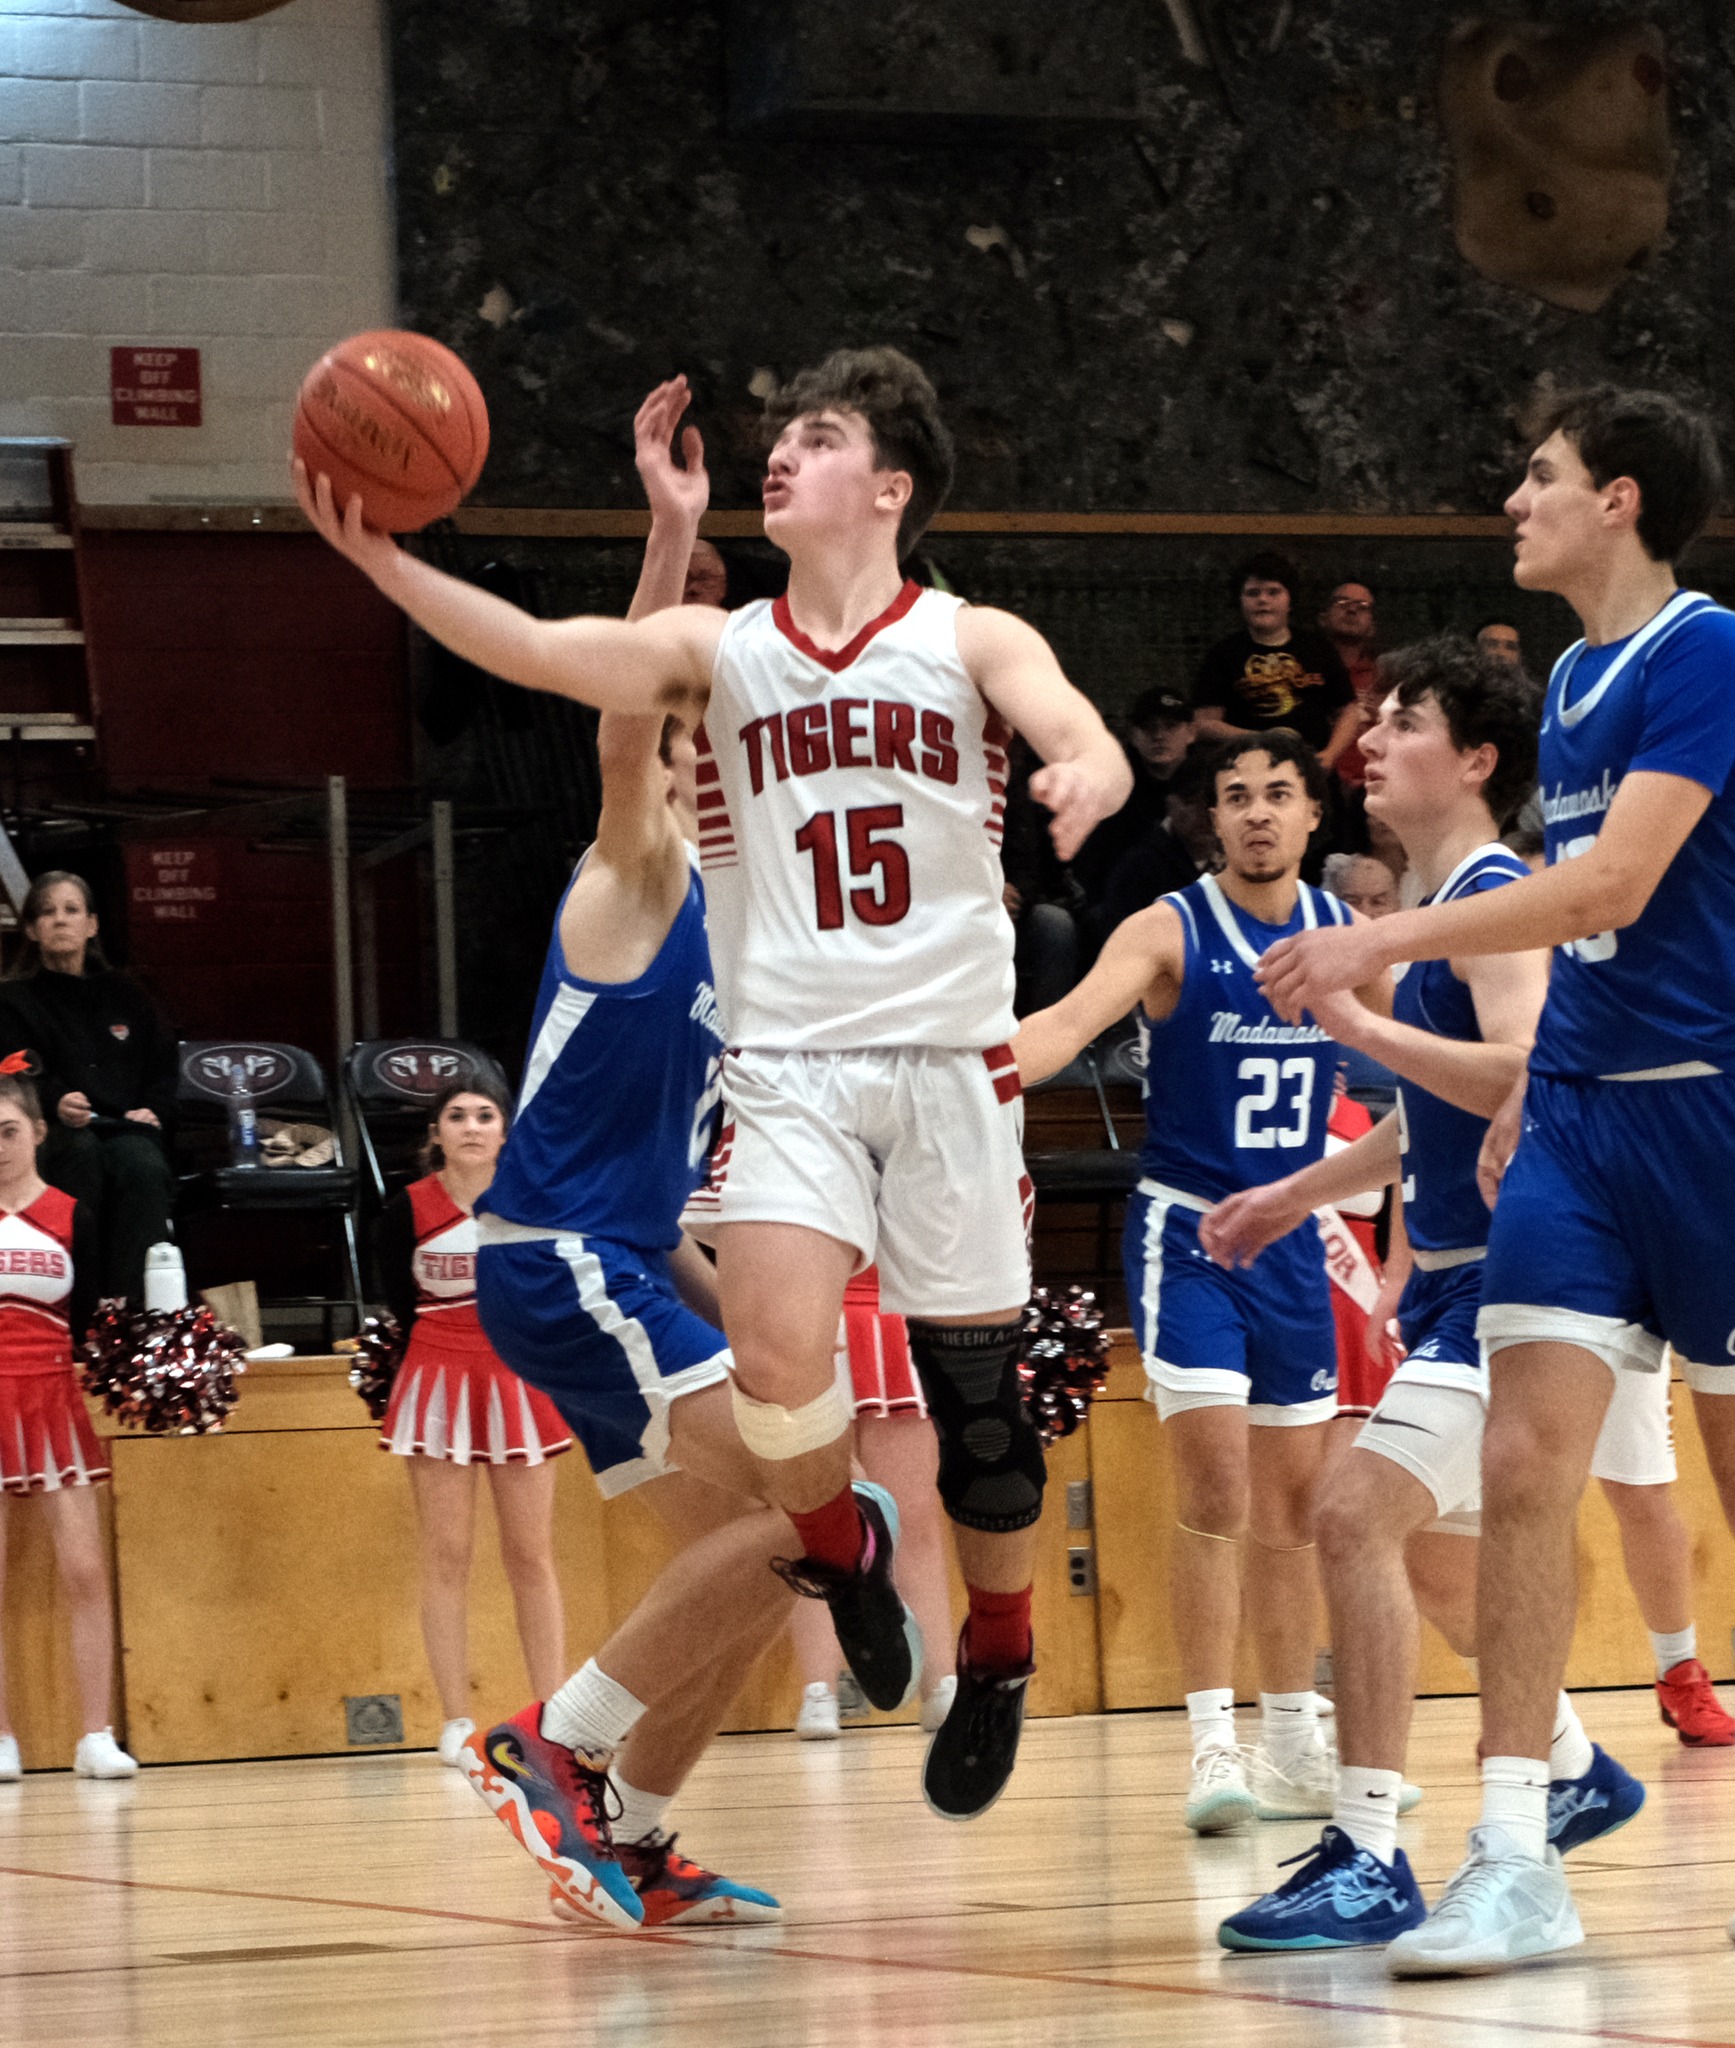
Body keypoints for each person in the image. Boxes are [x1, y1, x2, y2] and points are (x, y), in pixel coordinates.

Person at [298, 345, 1131, 1825]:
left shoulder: (968, 634)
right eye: (779, 436)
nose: (780, 453)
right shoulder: (721, 656)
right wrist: (386, 568)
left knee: (976, 1407)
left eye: (817, 436)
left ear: (889, 485)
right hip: (792, 1067)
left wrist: (1087, 773)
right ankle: (843, 1560)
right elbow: (545, 653)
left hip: (948, 1062)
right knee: (777, 1360)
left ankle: (997, 1650)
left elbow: (1072, 723)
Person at [1255, 388, 1735, 1974]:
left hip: (1709, 1115)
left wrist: (1376, 945)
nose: (1511, 500)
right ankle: (1514, 1854)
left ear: (1618, 499)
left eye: (1537, 476)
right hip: (1580, 1126)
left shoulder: (1700, 652)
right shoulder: (1579, 678)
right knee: (1522, 1469)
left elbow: (1610, 885)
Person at [1208, 636, 1648, 1954]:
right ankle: (1571, 1767)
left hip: (1519, 1287)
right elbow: (1431, 1117)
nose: (1369, 741)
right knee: (1444, 1569)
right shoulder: (1446, 904)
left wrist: (1351, 1023)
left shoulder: (1496, 895)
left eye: (1403, 722)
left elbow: (1520, 1074)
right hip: (1458, 1284)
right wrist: (1294, 1195)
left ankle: (1366, 1854)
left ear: (1473, 760)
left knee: (1351, 1514)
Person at [420, 381, 792, 1932]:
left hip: (611, 1266)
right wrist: (670, 528)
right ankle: (547, 1744)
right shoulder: (631, 870)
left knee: (775, 1561)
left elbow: (661, 1204)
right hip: (561, 1265)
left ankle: (628, 1831)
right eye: (699, 738)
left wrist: (741, 1329)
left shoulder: (730, 930)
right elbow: (622, 718)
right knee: (813, 1519)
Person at [1012, 730, 1385, 1832]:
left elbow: (1433, 1048)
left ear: (1312, 813)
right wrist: (954, 1070)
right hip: (1190, 1238)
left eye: (1278, 792)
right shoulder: (1167, 926)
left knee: (1296, 1508)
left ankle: (1293, 1741)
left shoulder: (1348, 934)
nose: (1257, 811)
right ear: (1209, 819)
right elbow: (1062, 1028)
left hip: (1294, 1240)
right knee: (1218, 1492)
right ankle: (1211, 1740)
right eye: (1235, 795)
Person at [374, 1079, 573, 1769]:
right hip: (436, 1379)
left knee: (530, 1554)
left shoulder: (530, 1203)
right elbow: (398, 1300)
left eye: (485, 1115)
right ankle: (456, 1720)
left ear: (504, 1132)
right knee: (446, 1553)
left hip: (518, 1378)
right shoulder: (405, 1209)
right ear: (436, 1133)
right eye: (456, 1116)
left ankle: (553, 1715)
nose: (470, 1126)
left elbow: (555, 1290)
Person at [0, 1066, 135, 1781]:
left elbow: (90, 1323)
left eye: (8, 1132)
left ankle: (95, 1735)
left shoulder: (72, 1215)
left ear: (38, 1133)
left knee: (84, 1569)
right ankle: (1, 1737)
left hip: (53, 1400)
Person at [791, 1267, 957, 1739]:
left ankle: (941, 1683)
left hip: (895, 1315)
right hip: (802, 1318)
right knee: (812, 1523)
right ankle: (818, 1691)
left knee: (914, 1516)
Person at [0, 873, 177, 1303]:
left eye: (71, 910)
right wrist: (55, 1100)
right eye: (47, 912)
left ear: (92, 924)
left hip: (124, 1127)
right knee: (81, 1155)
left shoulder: (129, 994)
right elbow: (13, 1069)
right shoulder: (13, 1000)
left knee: (142, 1165)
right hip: (53, 1130)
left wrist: (151, 1109)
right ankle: (77, 1306)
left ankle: (138, 1311)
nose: (60, 920)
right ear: (32, 930)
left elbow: (163, 1065)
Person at [1191, 552, 1362, 771]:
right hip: (1248, 771)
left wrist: (1330, 754)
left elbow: (1348, 711)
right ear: (1240, 601)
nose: (1263, 600)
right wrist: (1262, 740)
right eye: (1253, 593)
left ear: (1290, 599)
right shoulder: (1223, 654)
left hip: (1313, 770)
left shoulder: (1318, 648)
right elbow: (1204, 723)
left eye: (1273, 592)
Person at [1320, 580, 1382, 787]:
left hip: (1369, 787)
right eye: (1342, 602)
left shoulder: (1384, 677)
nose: (1352, 609)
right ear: (1323, 618)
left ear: (1373, 626)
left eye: (1362, 606)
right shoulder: (1304, 673)